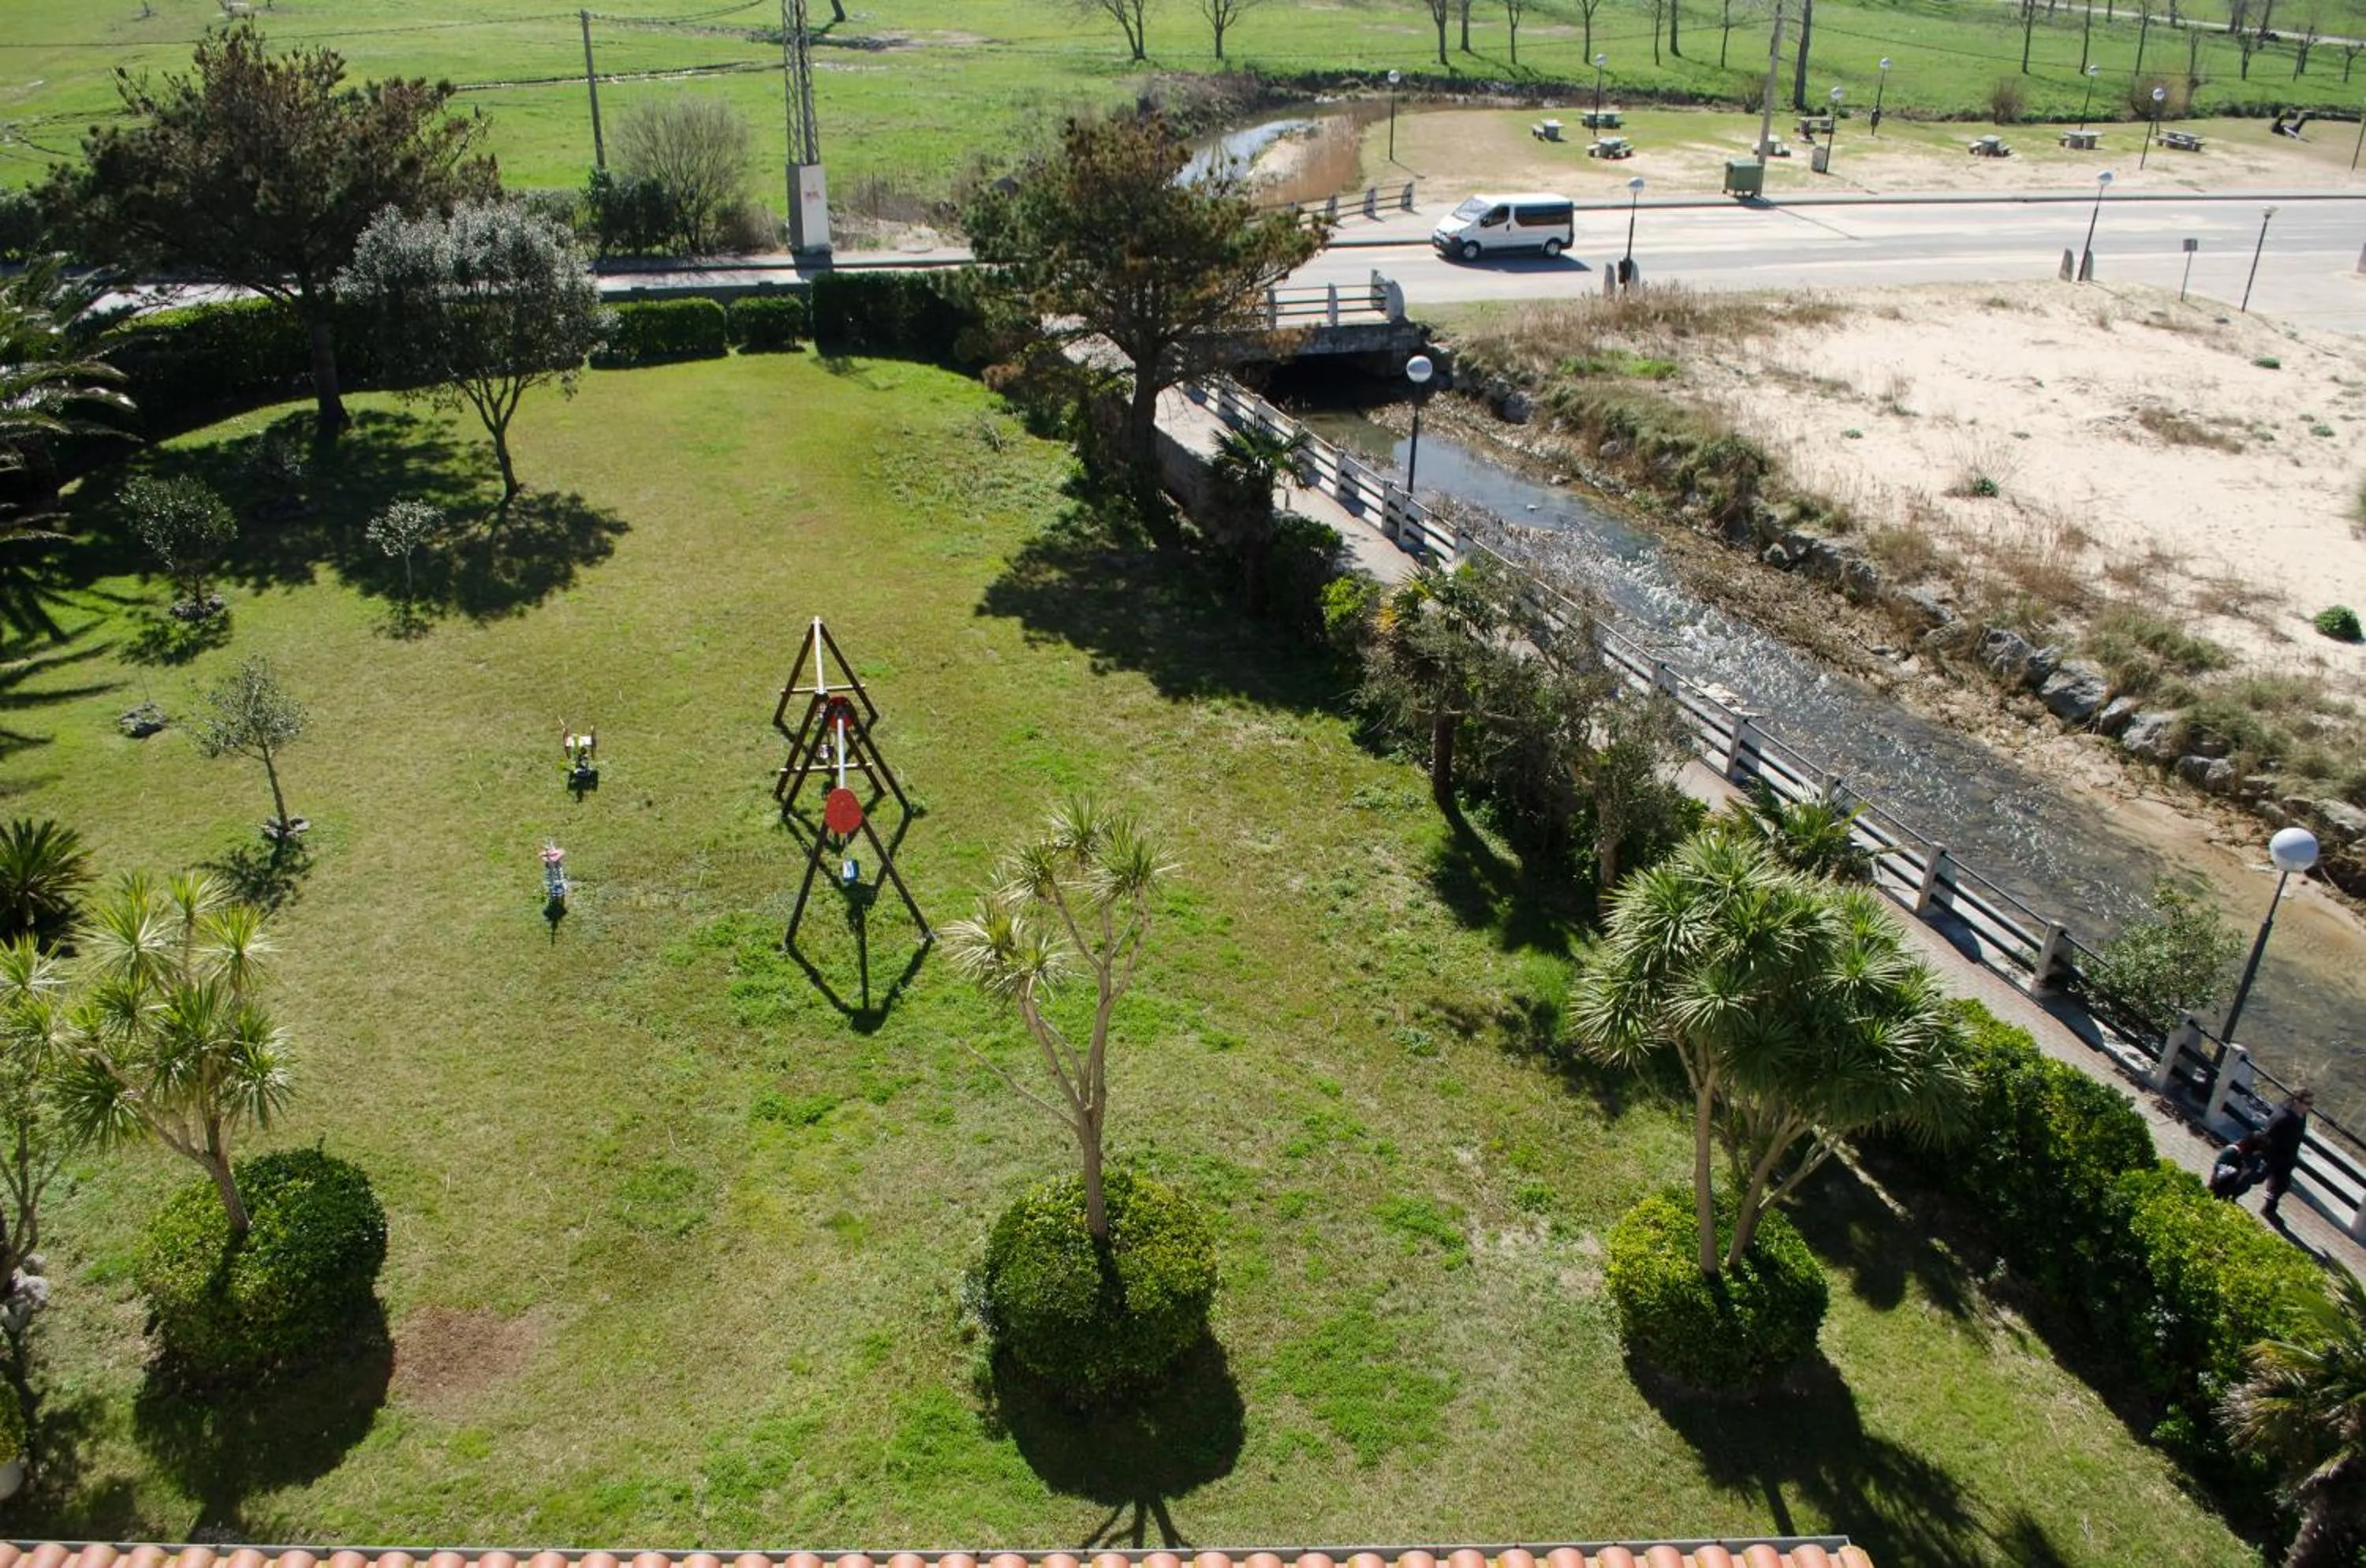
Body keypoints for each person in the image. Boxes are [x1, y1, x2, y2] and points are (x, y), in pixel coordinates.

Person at [2259, 1088, 2314, 1223]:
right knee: (2257, 1177)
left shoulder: (2302, 1116)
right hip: (2275, 1155)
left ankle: (2269, 1209)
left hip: (2288, 1157)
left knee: (2282, 1185)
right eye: (2307, 1103)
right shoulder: (2282, 1117)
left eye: (2311, 1104)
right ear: (2296, 1101)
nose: (2310, 1107)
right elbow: (2269, 1135)